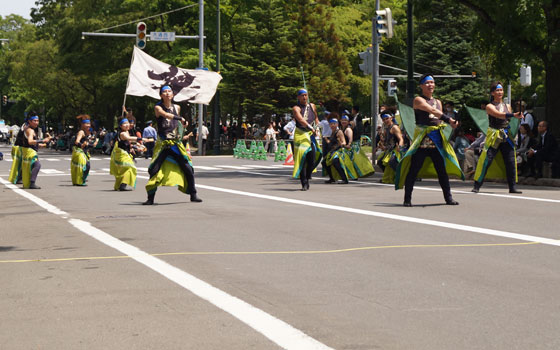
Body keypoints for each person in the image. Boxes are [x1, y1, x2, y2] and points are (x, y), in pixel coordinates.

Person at [395, 74, 462, 207]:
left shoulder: (438, 102)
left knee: (442, 171)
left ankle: (448, 198)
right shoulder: (418, 100)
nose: (430, 85)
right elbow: (431, 111)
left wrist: (450, 123)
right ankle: (407, 198)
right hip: (422, 140)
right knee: (413, 170)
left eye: (432, 82)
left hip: (436, 140)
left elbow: (438, 119)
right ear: (421, 86)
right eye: (427, 83)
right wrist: (449, 120)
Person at [143, 85, 202, 205]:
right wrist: (180, 118)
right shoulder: (158, 107)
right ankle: (150, 198)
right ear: (161, 95)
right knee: (154, 170)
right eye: (164, 91)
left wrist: (183, 126)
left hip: (175, 143)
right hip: (163, 144)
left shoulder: (177, 107)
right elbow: (165, 115)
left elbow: (177, 124)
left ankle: (193, 194)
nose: (167, 93)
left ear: (173, 94)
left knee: (188, 168)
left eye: (169, 91)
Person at [472, 82, 523, 193]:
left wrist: (517, 117)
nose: (500, 92)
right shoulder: (489, 106)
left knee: (510, 161)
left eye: (501, 90)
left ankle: (512, 187)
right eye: (497, 90)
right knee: (486, 160)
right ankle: (477, 185)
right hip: (494, 135)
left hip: (506, 135)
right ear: (492, 93)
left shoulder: (507, 106)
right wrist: (513, 115)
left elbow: (508, 120)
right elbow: (498, 115)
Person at [292, 89, 322, 191]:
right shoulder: (296, 108)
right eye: (302, 95)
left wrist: (317, 127)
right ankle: (304, 183)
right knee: (302, 158)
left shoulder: (312, 106)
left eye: (306, 95)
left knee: (312, 158)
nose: (305, 97)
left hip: (311, 134)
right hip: (301, 134)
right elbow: (301, 120)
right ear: (298, 97)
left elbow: (316, 118)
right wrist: (311, 128)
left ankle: (308, 175)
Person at [111, 117, 147, 191]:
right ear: (120, 126)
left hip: (125, 153)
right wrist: (141, 139)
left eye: (127, 123)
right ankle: (122, 185)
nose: (127, 125)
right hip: (121, 154)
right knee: (130, 168)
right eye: (124, 124)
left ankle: (120, 185)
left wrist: (136, 146)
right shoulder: (122, 133)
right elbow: (128, 138)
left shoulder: (127, 132)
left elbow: (128, 142)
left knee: (124, 170)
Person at [20, 114, 51, 189]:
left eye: (37, 121)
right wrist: (43, 140)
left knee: (28, 167)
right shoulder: (30, 130)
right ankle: (32, 183)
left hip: (29, 151)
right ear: (29, 121)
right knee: (37, 165)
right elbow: (30, 141)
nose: (36, 122)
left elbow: (33, 144)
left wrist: (44, 145)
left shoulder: (29, 129)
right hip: (29, 152)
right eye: (34, 121)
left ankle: (25, 180)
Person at [321, 116, 351, 184]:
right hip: (332, 151)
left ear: (337, 124)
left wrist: (341, 143)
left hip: (338, 151)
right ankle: (332, 178)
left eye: (334, 124)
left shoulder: (339, 132)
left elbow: (344, 142)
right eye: (331, 124)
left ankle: (345, 179)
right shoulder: (332, 132)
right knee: (324, 163)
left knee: (335, 162)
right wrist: (326, 139)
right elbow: (331, 143)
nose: (332, 125)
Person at [377, 111, 404, 184]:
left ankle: (401, 178)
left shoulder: (394, 127)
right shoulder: (386, 128)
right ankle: (389, 177)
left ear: (391, 118)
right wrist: (382, 144)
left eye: (387, 118)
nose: (385, 120)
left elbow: (401, 139)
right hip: (389, 150)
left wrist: (400, 147)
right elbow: (386, 141)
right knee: (380, 162)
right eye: (384, 119)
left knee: (392, 162)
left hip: (396, 149)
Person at [71, 115, 97, 186]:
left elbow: (87, 143)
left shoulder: (86, 132)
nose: (88, 125)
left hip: (83, 151)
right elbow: (77, 141)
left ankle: (80, 180)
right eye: (86, 124)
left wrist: (92, 144)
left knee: (86, 166)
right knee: (84, 166)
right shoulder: (81, 132)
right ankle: (80, 181)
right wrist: (82, 144)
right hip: (79, 151)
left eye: (89, 124)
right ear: (82, 124)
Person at [8, 118, 29, 185]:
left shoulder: (24, 126)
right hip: (20, 147)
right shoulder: (26, 126)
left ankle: (19, 178)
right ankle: (19, 178)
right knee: (22, 164)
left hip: (19, 147)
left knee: (21, 164)